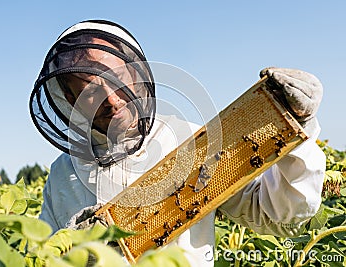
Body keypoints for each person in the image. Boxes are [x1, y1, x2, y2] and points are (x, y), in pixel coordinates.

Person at [29, 19, 326, 266]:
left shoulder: (190, 141)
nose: (111, 98)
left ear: (134, 70)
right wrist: (74, 247)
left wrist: (295, 131)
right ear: (70, 99)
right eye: (90, 88)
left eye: (115, 76)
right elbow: (43, 254)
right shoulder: (63, 175)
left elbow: (276, 216)